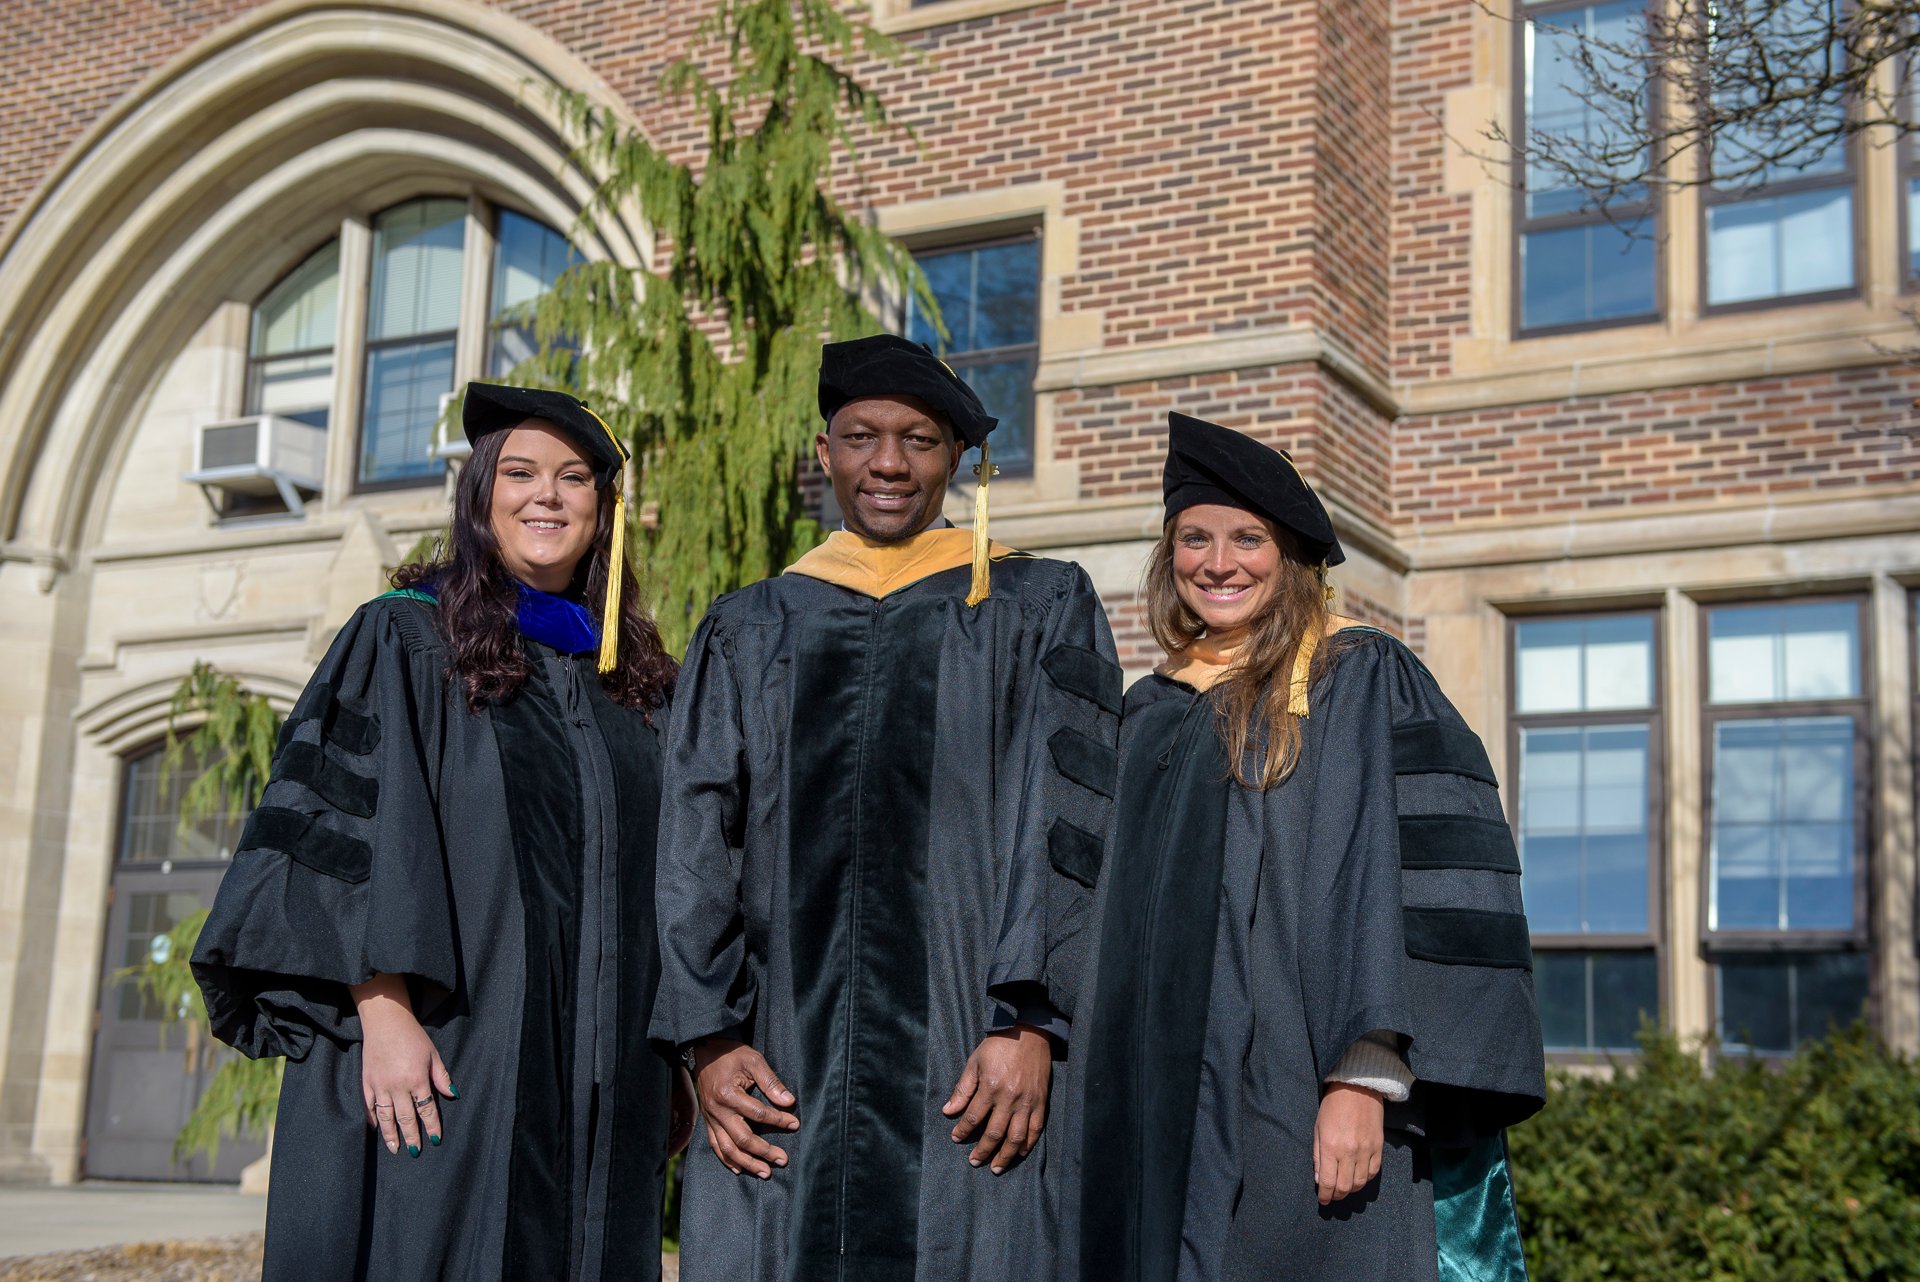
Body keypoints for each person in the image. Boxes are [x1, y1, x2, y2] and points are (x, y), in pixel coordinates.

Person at [192, 382, 689, 1281]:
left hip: (607, 1082)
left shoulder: (638, 685)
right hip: (445, 1049)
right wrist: (382, 1015)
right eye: (522, 472)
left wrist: (674, 1058)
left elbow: (678, 882)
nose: (548, 495)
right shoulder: (406, 640)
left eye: (576, 478)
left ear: (603, 512)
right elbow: (345, 838)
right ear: (480, 495)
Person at [652, 334, 1122, 1281]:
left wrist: (1030, 1024)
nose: (889, 464)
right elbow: (695, 840)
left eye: (918, 439)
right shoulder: (750, 626)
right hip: (781, 1057)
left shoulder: (1036, 606)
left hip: (974, 1049)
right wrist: (707, 1037)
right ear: (824, 454)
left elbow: (1070, 823)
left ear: (958, 458)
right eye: (862, 437)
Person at [1076, 412, 1545, 1282]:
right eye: (1195, 538)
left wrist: (1362, 1082)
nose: (1218, 563)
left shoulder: (1355, 677)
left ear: (1291, 556)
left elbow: (1388, 880)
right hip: (1151, 1106)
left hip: (1299, 1090)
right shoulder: (1152, 710)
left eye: (1248, 538)